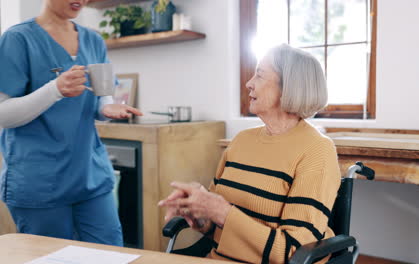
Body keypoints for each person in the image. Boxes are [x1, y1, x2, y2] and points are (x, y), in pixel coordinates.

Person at [159, 44, 341, 263]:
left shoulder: (317, 150)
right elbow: (216, 229)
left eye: (259, 75)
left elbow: (294, 254)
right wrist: (198, 214)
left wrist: (222, 213)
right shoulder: (241, 141)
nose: (249, 84)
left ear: (288, 87)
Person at [0, 0, 142, 246]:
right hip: (39, 180)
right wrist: (55, 89)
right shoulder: (17, 39)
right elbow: (3, 114)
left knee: (110, 253)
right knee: (52, 258)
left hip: (91, 174)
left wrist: (106, 108)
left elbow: (101, 94)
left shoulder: (94, 41)